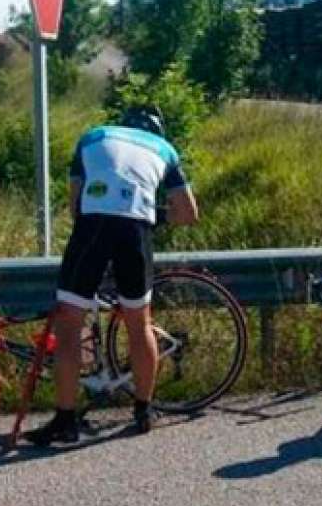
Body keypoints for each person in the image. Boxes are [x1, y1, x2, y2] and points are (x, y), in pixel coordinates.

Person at [25, 105, 200, 446]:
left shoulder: (93, 136)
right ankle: (144, 411)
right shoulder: (165, 150)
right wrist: (152, 214)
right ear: (157, 132)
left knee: (69, 323)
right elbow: (189, 214)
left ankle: (65, 420)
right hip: (136, 230)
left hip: (93, 225)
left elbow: (75, 206)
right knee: (139, 322)